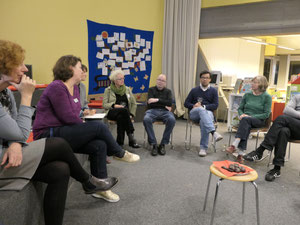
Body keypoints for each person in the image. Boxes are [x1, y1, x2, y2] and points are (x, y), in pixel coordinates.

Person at [0, 40, 117, 225]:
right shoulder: (56, 87)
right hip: (6, 158)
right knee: (62, 142)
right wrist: (27, 96)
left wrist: (14, 143)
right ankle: (91, 179)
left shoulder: (5, 94)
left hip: (11, 151)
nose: (24, 69)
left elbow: (15, 131)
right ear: (3, 66)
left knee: (61, 170)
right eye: (19, 63)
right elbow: (22, 133)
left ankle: (90, 182)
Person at [33, 55, 140, 203]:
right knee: (99, 127)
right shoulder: (56, 86)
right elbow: (68, 117)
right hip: (48, 133)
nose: (82, 70)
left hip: (64, 130)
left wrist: (84, 122)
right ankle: (118, 152)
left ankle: (101, 188)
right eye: (79, 67)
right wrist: (86, 127)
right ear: (70, 68)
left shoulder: (75, 88)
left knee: (99, 145)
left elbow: (75, 114)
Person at [244, 94, 300, 181]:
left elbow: (289, 113)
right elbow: (286, 110)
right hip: (292, 126)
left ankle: (260, 150)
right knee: (283, 131)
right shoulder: (297, 97)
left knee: (282, 118)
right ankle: (277, 169)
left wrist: (294, 114)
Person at [226, 76, 272, 164]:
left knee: (246, 120)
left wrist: (249, 116)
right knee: (245, 125)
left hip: (258, 121)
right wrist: (241, 114)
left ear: (261, 84)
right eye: (252, 82)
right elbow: (240, 108)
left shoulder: (267, 97)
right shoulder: (247, 95)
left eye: (255, 82)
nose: (252, 84)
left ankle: (234, 144)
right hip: (245, 121)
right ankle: (240, 154)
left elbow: (266, 114)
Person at [184, 70, 223, 157]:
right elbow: (186, 103)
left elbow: (215, 105)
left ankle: (203, 148)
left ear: (210, 79)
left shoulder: (213, 91)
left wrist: (204, 107)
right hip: (194, 114)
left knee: (204, 120)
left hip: (207, 114)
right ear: (200, 79)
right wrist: (194, 105)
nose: (205, 79)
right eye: (203, 77)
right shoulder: (194, 90)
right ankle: (213, 132)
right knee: (201, 110)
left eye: (207, 78)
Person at [103, 69, 140, 148]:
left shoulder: (127, 89)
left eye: (123, 78)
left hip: (124, 114)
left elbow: (133, 103)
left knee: (121, 118)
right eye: (120, 79)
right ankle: (131, 137)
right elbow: (104, 104)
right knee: (124, 110)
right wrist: (114, 105)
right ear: (114, 80)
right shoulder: (108, 90)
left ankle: (119, 143)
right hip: (112, 112)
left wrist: (131, 114)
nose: (122, 80)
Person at [143, 74, 176, 156]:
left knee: (172, 120)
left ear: (165, 83)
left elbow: (169, 103)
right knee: (146, 119)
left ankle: (163, 144)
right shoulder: (151, 89)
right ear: (156, 80)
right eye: (159, 80)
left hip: (165, 112)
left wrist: (157, 100)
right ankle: (154, 144)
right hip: (152, 111)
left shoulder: (168, 91)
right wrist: (163, 103)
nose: (160, 82)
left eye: (162, 81)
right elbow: (150, 103)